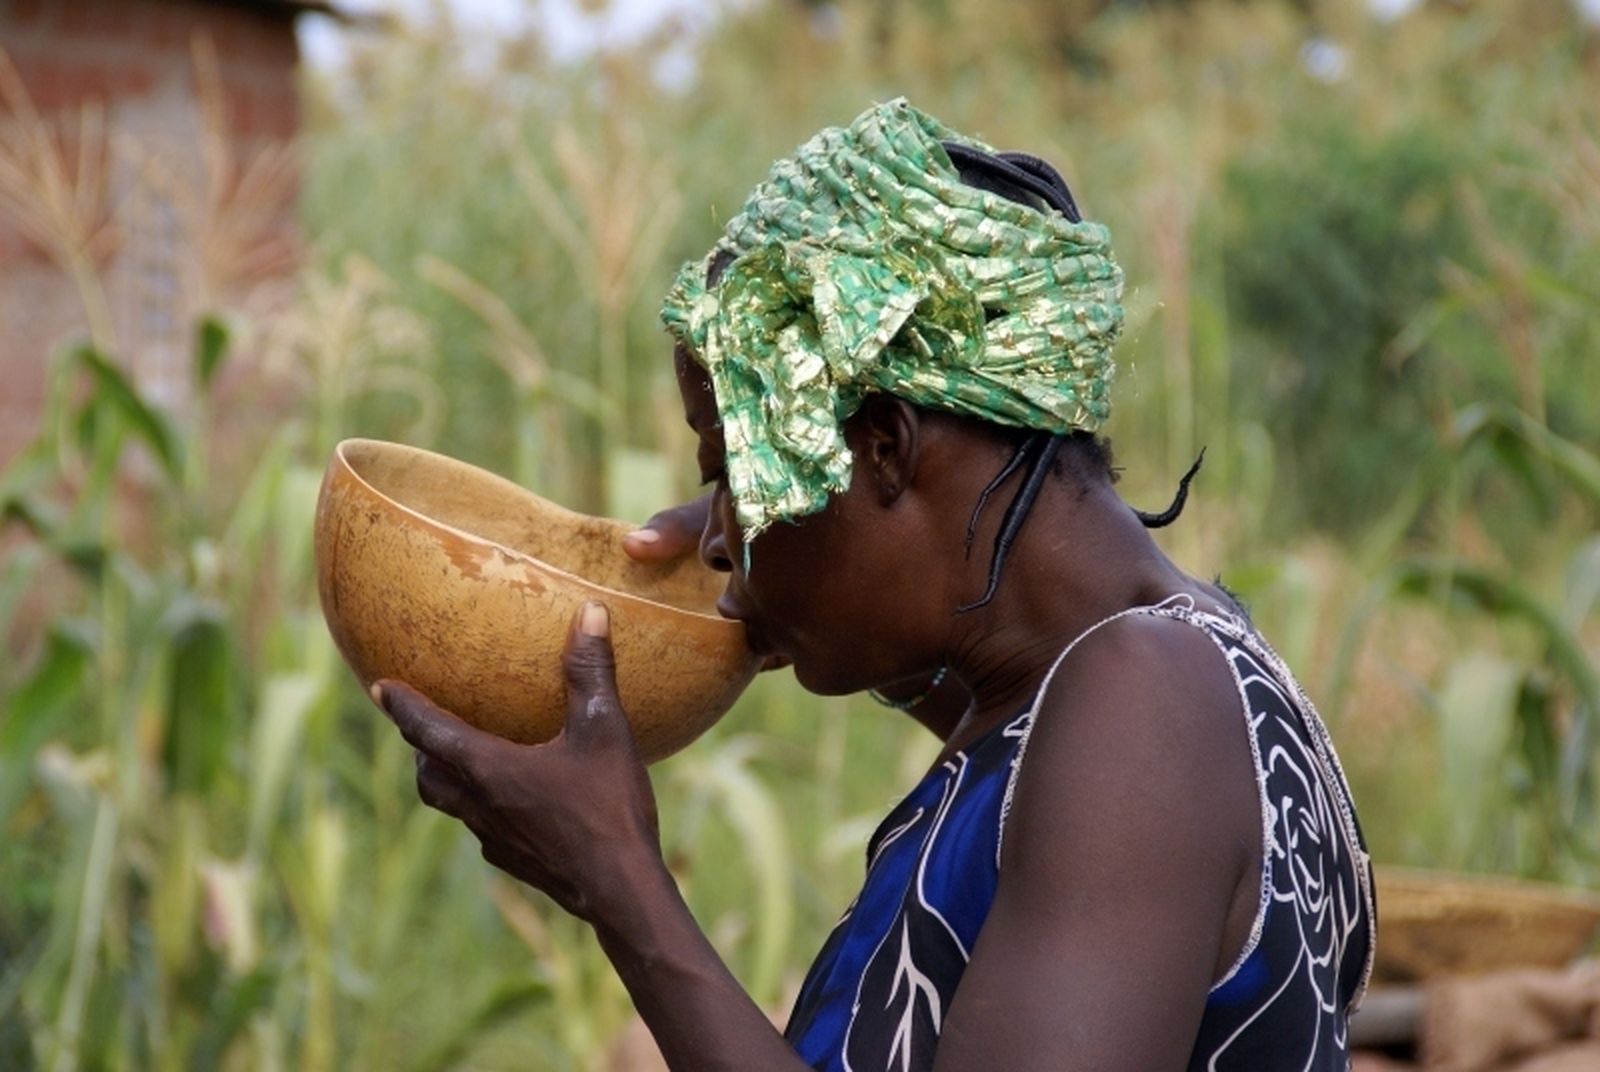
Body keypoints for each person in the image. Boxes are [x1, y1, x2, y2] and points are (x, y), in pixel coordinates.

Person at [373, 99, 1376, 1071]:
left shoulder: (1143, 715)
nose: (717, 532)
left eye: (731, 468)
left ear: (884, 449)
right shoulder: (1153, 678)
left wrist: (619, 883)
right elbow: (993, 719)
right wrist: (769, 570)